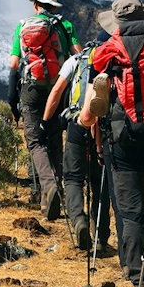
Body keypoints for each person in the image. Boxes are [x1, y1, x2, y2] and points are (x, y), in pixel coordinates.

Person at [80, 0, 144, 287]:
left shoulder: (106, 53)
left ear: (116, 23)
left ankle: (141, 280)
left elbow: (87, 115)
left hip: (120, 140)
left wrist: (89, 125)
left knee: (131, 210)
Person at [9, 0, 82, 220]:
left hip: (30, 88)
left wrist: (12, 98)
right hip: (56, 90)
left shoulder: (22, 25)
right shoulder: (65, 25)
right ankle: (53, 195)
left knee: (34, 142)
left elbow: (13, 64)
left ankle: (47, 189)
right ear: (53, 6)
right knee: (52, 139)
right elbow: (79, 56)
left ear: (35, 5)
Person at [41, 30, 113, 251]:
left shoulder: (77, 59)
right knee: (98, 179)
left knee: (72, 178)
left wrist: (45, 121)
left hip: (76, 123)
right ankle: (100, 237)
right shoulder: (112, 61)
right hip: (102, 126)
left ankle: (79, 221)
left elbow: (56, 90)